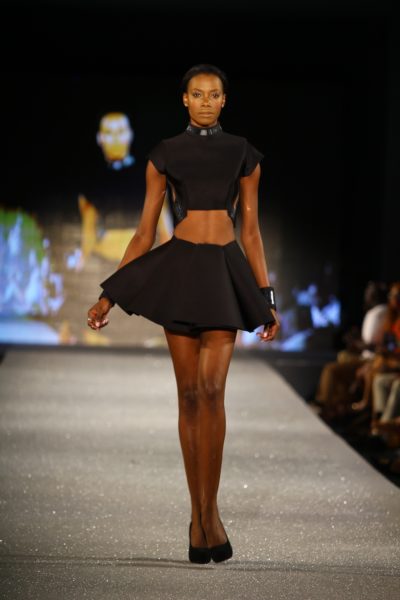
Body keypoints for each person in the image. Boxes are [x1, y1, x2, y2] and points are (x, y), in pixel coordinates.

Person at [86, 63, 280, 563]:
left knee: (213, 391)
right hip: (181, 272)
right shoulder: (164, 154)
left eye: (215, 94)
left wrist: (266, 296)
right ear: (185, 100)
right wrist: (109, 295)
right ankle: (198, 518)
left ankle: (210, 514)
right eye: (198, 94)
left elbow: (251, 231)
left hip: (223, 273)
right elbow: (144, 232)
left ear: (224, 100)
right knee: (190, 395)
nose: (207, 101)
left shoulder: (243, 153)